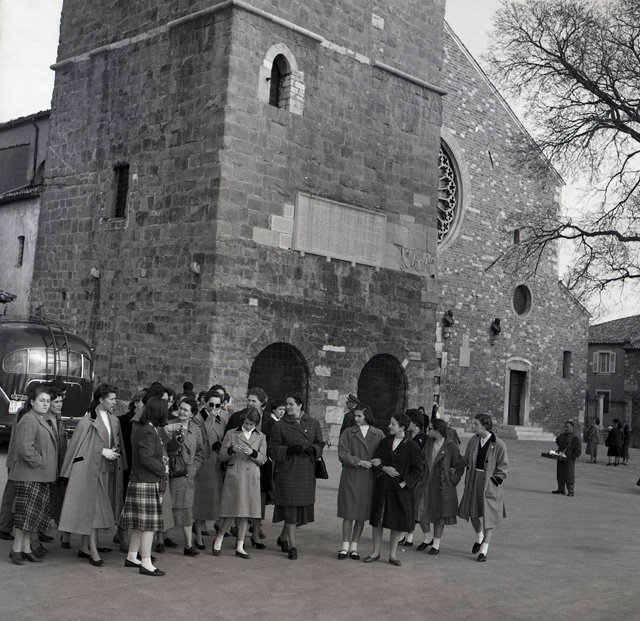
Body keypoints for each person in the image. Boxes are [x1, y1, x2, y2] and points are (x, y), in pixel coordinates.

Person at [58, 384, 126, 567]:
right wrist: (102, 451)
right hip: (90, 472)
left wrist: (113, 452)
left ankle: (85, 547)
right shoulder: (87, 420)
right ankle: (93, 551)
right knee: (95, 512)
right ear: (101, 399)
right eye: (111, 398)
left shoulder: (114, 420)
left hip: (108, 471)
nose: (115, 402)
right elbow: (78, 448)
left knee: (97, 510)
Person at [268, 393, 324, 560]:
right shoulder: (280, 425)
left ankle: (283, 537)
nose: (288, 407)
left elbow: (320, 442)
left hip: (305, 471)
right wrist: (289, 450)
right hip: (288, 471)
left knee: (297, 509)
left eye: (291, 404)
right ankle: (293, 545)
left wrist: (314, 449)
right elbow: (272, 448)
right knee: (291, 508)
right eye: (286, 404)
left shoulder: (313, 423)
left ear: (300, 405)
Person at [365, 413, 423, 566]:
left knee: (396, 521)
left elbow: (418, 471)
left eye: (393, 424)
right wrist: (384, 468)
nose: (389, 426)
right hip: (382, 487)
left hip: (400, 490)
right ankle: (375, 552)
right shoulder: (385, 442)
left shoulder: (412, 446)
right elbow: (375, 461)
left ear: (402, 427)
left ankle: (392, 555)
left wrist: (404, 484)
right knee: (377, 520)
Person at [7, 384, 57, 565]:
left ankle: (26, 548)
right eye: (41, 400)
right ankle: (16, 549)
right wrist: (39, 462)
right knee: (25, 516)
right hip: (29, 475)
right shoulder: (29, 419)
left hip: (39, 476)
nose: (45, 404)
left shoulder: (40, 419)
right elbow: (24, 447)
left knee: (32, 517)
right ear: (32, 401)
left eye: (47, 401)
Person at [119, 397, 169, 576]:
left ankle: (132, 556)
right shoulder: (148, 430)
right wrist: (163, 468)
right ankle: (146, 562)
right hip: (146, 481)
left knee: (140, 525)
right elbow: (146, 458)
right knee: (148, 526)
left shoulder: (145, 428)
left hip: (140, 480)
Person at [213, 408, 267, 559]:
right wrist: (231, 450)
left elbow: (263, 459)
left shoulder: (261, 437)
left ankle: (240, 545)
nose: (248, 426)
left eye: (251, 424)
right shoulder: (231, 433)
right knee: (232, 511)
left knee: (246, 512)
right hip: (236, 475)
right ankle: (219, 538)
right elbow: (222, 456)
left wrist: (253, 453)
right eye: (246, 423)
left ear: (256, 424)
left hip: (251, 477)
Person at [336, 404, 384, 560]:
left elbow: (385, 451)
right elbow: (343, 453)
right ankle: (344, 546)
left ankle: (354, 547)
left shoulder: (378, 434)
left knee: (361, 514)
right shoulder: (348, 432)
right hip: (351, 475)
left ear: (367, 416)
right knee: (348, 512)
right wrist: (359, 462)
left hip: (368, 478)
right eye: (355, 416)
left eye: (359, 416)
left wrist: (379, 460)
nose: (356, 419)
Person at [458, 414, 508, 562]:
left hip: (489, 483)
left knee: (489, 516)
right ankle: (479, 537)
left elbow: (503, 468)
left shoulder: (499, 444)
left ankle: (484, 549)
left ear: (485, 426)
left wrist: (493, 482)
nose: (473, 427)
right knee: (472, 513)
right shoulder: (474, 440)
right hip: (474, 479)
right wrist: (452, 463)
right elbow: (466, 459)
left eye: (476, 424)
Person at [224, 387, 271, 546]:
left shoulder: (269, 420)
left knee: (258, 501)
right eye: (249, 400)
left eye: (254, 401)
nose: (250, 403)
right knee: (240, 500)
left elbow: (271, 441)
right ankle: (239, 533)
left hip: (261, 464)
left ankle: (256, 533)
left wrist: (260, 454)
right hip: (240, 464)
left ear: (262, 403)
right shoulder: (238, 417)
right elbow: (227, 439)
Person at [414, 418, 465, 555]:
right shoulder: (428, 443)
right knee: (420, 510)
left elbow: (460, 466)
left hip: (441, 485)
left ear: (438, 431)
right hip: (425, 483)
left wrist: (452, 480)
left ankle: (436, 544)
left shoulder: (451, 446)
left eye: (430, 428)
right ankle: (427, 538)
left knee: (439, 515)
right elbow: (421, 459)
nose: (427, 430)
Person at [163, 397, 204, 555]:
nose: (182, 412)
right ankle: (161, 539)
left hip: (187, 476)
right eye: (180, 408)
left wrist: (194, 468)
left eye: (186, 410)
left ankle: (188, 545)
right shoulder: (168, 425)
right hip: (171, 473)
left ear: (192, 413)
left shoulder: (196, 429)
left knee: (187, 511)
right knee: (166, 507)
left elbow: (200, 453)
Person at [192, 389, 229, 548]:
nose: (214, 408)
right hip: (203, 463)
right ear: (204, 403)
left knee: (213, 500)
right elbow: (199, 437)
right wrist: (210, 419)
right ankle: (198, 536)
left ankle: (211, 527)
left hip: (216, 462)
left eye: (217, 405)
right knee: (199, 501)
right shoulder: (197, 419)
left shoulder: (223, 419)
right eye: (211, 404)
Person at [400, 408, 428, 547]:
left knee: (414, 505)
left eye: (408, 421)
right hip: (406, 473)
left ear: (415, 423)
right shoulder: (406, 437)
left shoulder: (425, 439)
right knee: (405, 504)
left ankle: (409, 535)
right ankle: (404, 534)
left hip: (418, 476)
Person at [552, 420, 582, 497]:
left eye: (567, 427)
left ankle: (571, 490)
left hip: (569, 460)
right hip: (561, 458)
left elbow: (578, 451)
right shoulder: (562, 436)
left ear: (572, 428)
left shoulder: (575, 439)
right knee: (560, 474)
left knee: (569, 475)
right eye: (565, 427)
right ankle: (561, 489)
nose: (565, 429)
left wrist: (572, 457)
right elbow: (558, 441)